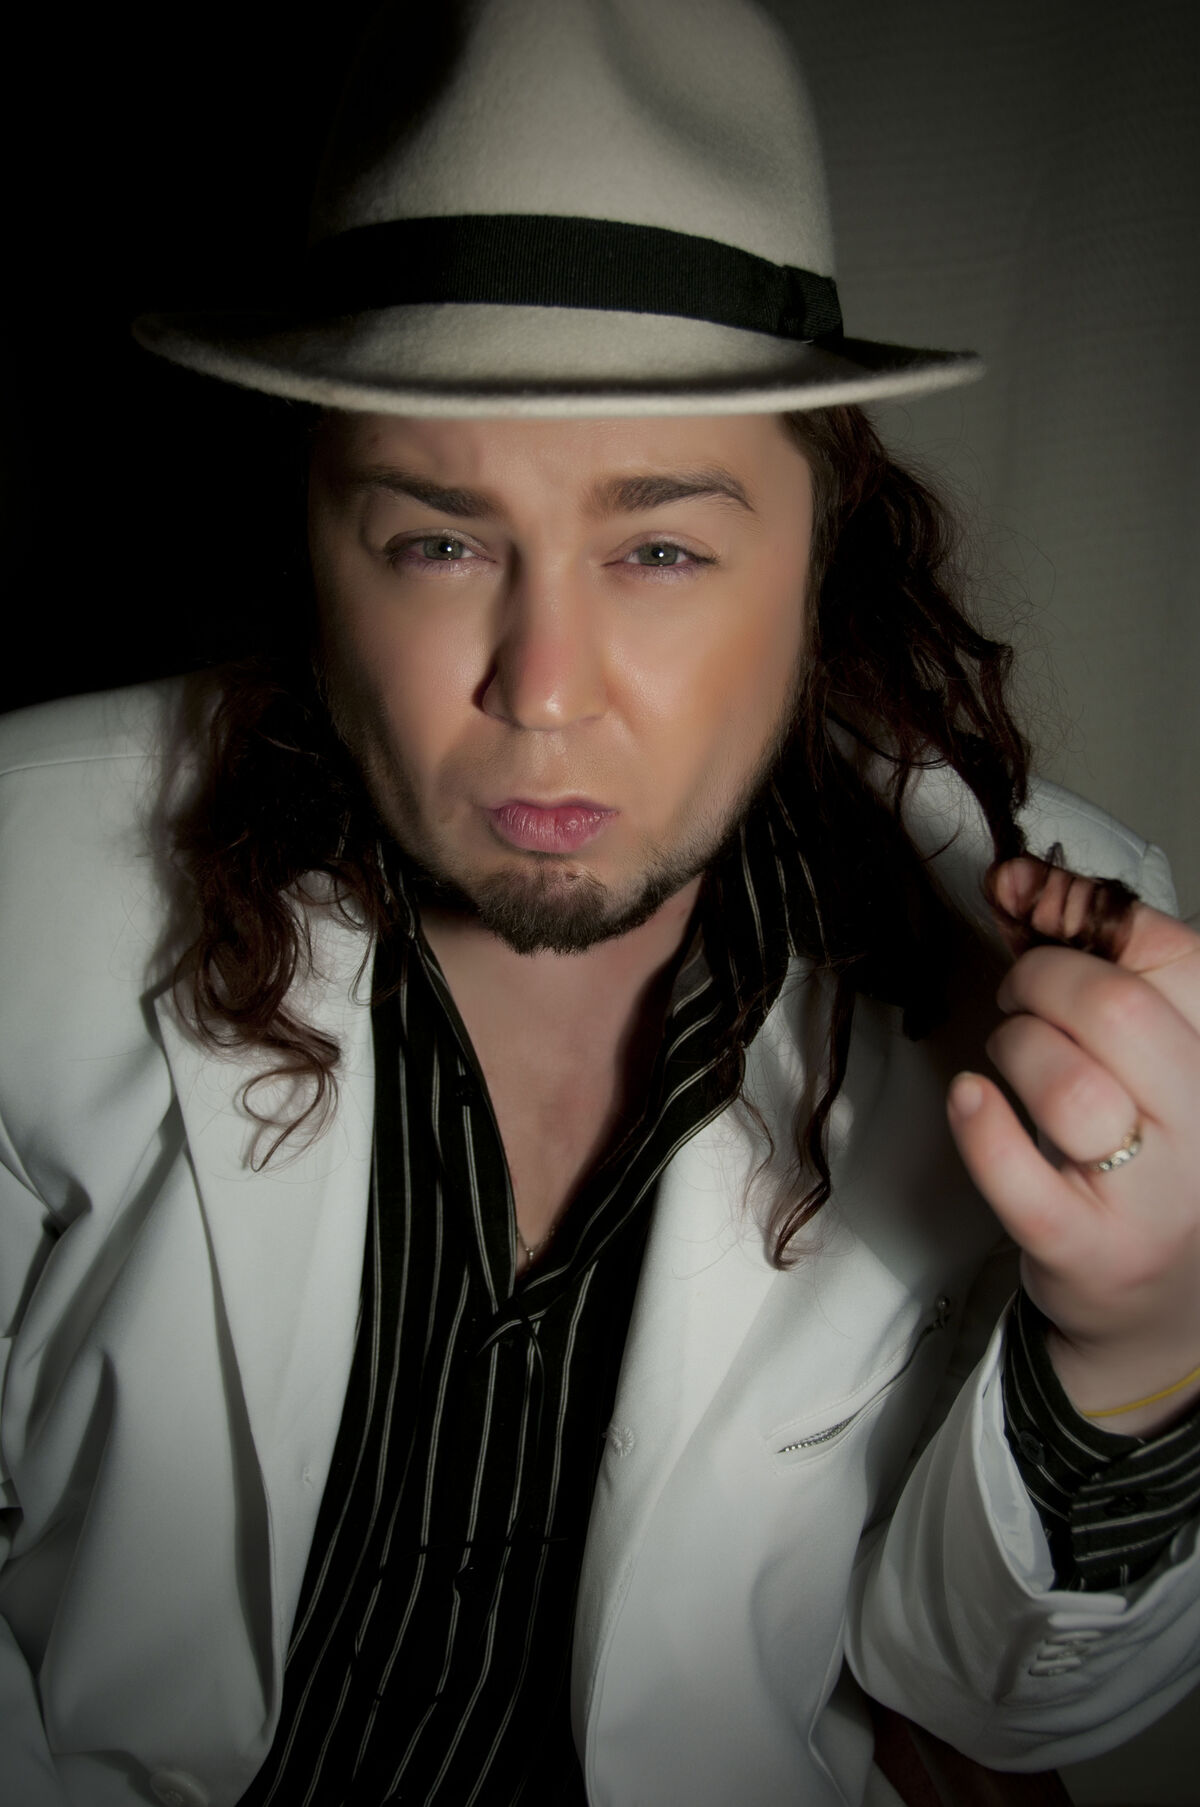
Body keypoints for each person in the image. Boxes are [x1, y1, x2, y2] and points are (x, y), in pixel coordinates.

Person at [1, 2, 1198, 1804]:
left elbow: (991, 1704)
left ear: (823, 546)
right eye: (438, 538)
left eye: (658, 546)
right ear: (313, 540)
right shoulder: (22, 884)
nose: (543, 687)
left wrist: (1140, 1343)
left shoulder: (1060, 970)